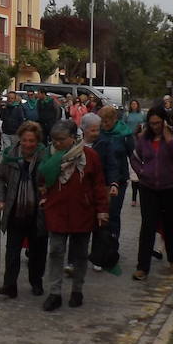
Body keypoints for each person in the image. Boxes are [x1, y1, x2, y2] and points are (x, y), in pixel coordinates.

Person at [39, 120, 109, 311]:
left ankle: (77, 290)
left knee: (79, 254)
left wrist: (102, 209)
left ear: (73, 138)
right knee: (55, 251)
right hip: (57, 211)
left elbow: (98, 184)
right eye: (54, 140)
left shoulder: (90, 156)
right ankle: (54, 293)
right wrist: (43, 195)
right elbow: (41, 179)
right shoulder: (48, 155)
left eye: (61, 140)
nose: (57, 144)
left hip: (82, 211)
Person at [130, 106, 173, 281]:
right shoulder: (144, 139)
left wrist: (169, 139)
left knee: (170, 225)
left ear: (164, 121)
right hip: (148, 187)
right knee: (147, 226)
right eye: (151, 123)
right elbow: (134, 157)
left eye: (157, 123)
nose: (154, 126)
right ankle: (142, 267)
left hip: (171, 187)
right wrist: (142, 172)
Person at [0, 121, 47, 299]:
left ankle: (36, 282)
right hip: (15, 210)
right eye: (25, 140)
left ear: (37, 141)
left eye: (31, 141)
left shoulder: (45, 157)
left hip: (37, 212)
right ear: (20, 139)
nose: (28, 144)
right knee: (12, 252)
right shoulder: (11, 156)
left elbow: (53, 180)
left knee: (38, 252)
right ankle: (10, 285)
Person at [89, 107, 134, 246]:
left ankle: (112, 244)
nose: (104, 125)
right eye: (101, 122)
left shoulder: (125, 134)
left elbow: (133, 155)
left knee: (113, 212)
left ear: (115, 120)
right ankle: (100, 245)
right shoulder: (99, 134)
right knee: (101, 213)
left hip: (119, 178)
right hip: (100, 179)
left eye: (107, 122)